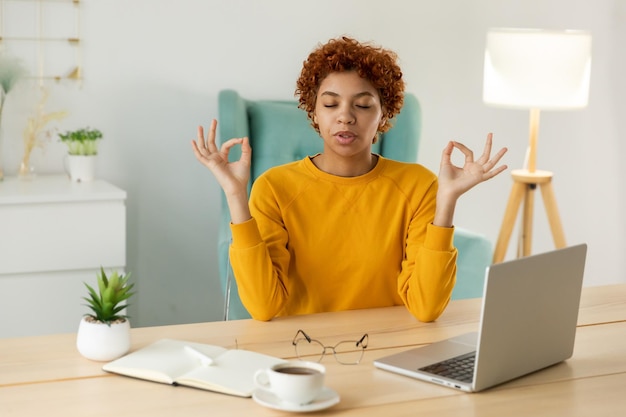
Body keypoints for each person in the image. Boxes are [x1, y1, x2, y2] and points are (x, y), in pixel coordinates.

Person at [191, 37, 507, 322]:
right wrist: (235, 194)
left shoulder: (418, 185)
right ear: (313, 112)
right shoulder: (274, 187)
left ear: (384, 115)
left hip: (389, 351)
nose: (345, 116)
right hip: (303, 354)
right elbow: (263, 306)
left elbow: (425, 308)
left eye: (363, 105)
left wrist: (447, 202)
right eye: (330, 104)